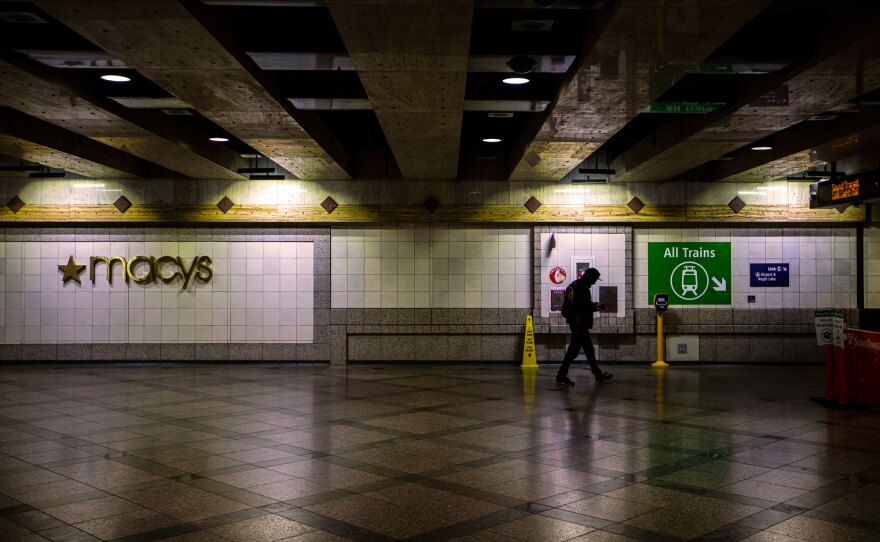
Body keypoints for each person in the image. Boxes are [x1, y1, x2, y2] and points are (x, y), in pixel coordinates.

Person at [556, 267, 613, 385]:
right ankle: (598, 376)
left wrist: (594, 305)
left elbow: (580, 304)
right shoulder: (581, 288)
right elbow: (581, 306)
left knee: (575, 351)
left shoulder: (576, 285)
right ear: (590, 277)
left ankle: (561, 376)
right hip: (579, 324)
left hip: (577, 323)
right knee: (587, 350)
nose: (595, 282)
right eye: (595, 279)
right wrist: (594, 307)